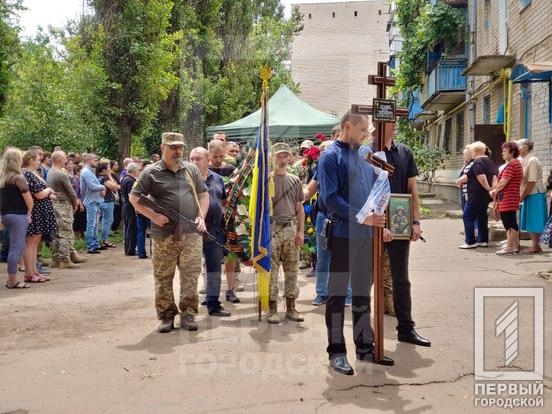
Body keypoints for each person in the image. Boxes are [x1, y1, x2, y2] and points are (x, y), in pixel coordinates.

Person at [318, 110, 392, 375]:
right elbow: (331, 199)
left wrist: (381, 224)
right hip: (342, 236)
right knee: (337, 296)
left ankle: (364, 346)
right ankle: (336, 352)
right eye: (363, 130)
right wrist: (364, 218)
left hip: (366, 237)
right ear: (347, 126)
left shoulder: (361, 156)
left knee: (362, 293)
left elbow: (373, 194)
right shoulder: (330, 157)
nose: (366, 135)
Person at [130, 132, 209, 333]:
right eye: (173, 147)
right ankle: (166, 316)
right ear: (162, 147)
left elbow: (203, 194)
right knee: (163, 275)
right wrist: (153, 216)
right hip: (163, 234)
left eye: (180, 147)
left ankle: (189, 313)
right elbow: (134, 197)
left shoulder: (191, 169)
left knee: (191, 274)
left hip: (191, 233)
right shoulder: (151, 172)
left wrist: (201, 216)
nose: (178, 151)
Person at [377, 123, 431, 347]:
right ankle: (366, 336)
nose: (396, 125)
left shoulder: (404, 152)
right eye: (391, 121)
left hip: (399, 222)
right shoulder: (368, 152)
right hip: (374, 222)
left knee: (401, 278)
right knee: (368, 279)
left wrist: (416, 222)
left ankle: (406, 328)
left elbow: (412, 190)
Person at [303, 141, 353, 307]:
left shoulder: (346, 166)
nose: (324, 155)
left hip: (345, 217)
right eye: (322, 152)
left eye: (327, 151)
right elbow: (309, 191)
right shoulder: (320, 169)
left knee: (346, 256)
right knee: (323, 257)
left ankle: (347, 294)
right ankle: (322, 293)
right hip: (324, 217)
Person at [266, 143, 305, 324]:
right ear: (272, 157)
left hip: (290, 228)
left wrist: (300, 231)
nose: (282, 160)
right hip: (272, 229)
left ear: (289, 158)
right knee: (272, 271)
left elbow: (299, 208)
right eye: (278, 156)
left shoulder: (295, 180)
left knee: (292, 270)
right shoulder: (265, 181)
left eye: (285, 156)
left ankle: (291, 307)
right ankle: (272, 308)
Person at [190, 147, 231, 317]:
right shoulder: (185, 180)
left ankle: (213, 303)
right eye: (191, 159)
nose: (194, 162)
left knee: (214, 268)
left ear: (208, 159)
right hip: (192, 230)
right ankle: (189, 306)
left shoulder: (218, 179)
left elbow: (223, 201)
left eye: (198, 158)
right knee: (190, 269)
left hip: (214, 230)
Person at [208, 139, 241, 302]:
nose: (218, 159)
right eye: (215, 156)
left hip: (228, 220)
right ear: (209, 155)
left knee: (230, 256)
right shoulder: (203, 171)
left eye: (221, 156)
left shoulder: (231, 170)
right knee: (210, 258)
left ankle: (230, 289)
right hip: (210, 221)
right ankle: (211, 292)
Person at [0, 148, 34, 289]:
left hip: (5, 214)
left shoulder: (3, 178)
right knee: (16, 247)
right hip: (18, 215)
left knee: (13, 247)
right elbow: (28, 199)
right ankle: (12, 280)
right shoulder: (18, 178)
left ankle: (12, 279)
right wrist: (29, 213)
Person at [22, 150, 57, 283]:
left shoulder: (31, 173)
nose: (39, 161)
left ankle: (34, 271)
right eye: (37, 159)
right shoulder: (26, 173)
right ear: (30, 159)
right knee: (31, 243)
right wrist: (48, 191)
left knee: (35, 243)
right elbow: (38, 194)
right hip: (36, 212)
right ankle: (30, 273)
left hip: (41, 211)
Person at [47, 151, 85, 268]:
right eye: (64, 158)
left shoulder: (50, 172)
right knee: (66, 232)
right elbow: (70, 191)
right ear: (59, 160)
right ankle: (65, 259)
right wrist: (75, 203)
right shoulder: (61, 174)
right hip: (63, 204)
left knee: (57, 232)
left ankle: (56, 258)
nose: (66, 160)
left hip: (55, 204)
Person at [457, 141, 497, 249]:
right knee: (481, 216)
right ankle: (483, 240)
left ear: (475, 151)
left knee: (468, 216)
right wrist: (493, 190)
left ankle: (470, 242)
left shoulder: (477, 162)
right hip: (485, 196)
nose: (471, 153)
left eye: (471, 151)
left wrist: (489, 188)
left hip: (476, 195)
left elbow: (481, 177)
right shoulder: (489, 161)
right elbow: (494, 176)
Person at [489, 142, 523, 255]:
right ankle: (513, 246)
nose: (502, 152)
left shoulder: (513, 164)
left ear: (512, 152)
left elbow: (504, 181)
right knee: (509, 222)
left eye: (504, 150)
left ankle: (510, 247)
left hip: (509, 197)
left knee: (509, 222)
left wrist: (495, 191)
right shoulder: (513, 163)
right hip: (508, 197)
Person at [518, 139, 547, 254]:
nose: (516, 148)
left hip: (535, 193)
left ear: (525, 147)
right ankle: (535, 246)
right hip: (529, 193)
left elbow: (532, 181)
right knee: (530, 219)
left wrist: (522, 195)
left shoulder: (532, 161)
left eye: (518, 146)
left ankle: (536, 246)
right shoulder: (525, 160)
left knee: (535, 220)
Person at [80, 154, 106, 254]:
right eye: (95, 160)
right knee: (91, 224)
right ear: (88, 160)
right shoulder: (86, 171)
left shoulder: (90, 171)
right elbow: (92, 186)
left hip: (95, 200)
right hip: (91, 201)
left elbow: (94, 185)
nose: (97, 162)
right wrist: (102, 187)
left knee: (95, 224)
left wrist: (101, 187)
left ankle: (95, 244)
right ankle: (90, 246)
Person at [96, 161, 120, 249]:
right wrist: (110, 175)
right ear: (104, 170)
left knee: (105, 221)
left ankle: (103, 239)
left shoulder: (97, 177)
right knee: (107, 221)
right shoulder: (103, 178)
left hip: (103, 201)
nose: (109, 170)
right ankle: (104, 240)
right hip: (107, 201)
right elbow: (114, 187)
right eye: (108, 168)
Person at [120, 162, 140, 256]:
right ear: (135, 171)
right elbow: (131, 196)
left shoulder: (124, 179)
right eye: (138, 170)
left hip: (126, 206)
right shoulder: (130, 181)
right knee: (131, 229)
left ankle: (128, 249)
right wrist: (136, 207)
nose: (139, 172)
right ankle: (131, 250)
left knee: (128, 228)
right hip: (130, 207)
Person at [110, 160, 123, 232]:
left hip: (119, 194)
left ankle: (115, 228)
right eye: (115, 165)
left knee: (118, 213)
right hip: (115, 195)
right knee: (116, 213)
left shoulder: (115, 174)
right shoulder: (111, 175)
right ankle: (113, 228)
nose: (117, 166)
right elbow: (114, 185)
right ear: (111, 166)